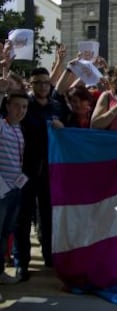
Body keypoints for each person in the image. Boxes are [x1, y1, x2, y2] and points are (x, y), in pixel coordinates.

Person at [14, 67, 69, 281]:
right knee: (23, 218)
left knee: (48, 216)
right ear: (31, 84)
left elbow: (69, 132)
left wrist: (62, 126)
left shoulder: (57, 107)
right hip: (25, 170)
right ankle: (22, 263)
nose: (43, 86)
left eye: (46, 82)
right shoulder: (24, 106)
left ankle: (49, 256)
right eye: (38, 83)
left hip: (51, 170)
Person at [0, 91, 28, 287]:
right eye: (17, 106)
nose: (21, 111)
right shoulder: (2, 126)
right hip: (1, 191)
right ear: (7, 106)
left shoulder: (18, 129)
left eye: (25, 107)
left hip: (14, 190)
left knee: (4, 234)